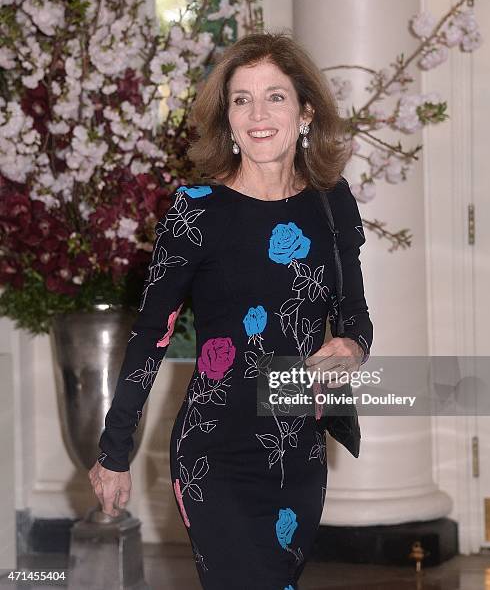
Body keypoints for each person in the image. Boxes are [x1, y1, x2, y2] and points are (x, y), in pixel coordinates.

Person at [88, 30, 373, 590]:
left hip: (298, 449)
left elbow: (355, 313)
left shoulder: (332, 202)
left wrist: (353, 346)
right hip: (213, 452)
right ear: (228, 117)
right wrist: (113, 451)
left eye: (275, 96)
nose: (258, 113)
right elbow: (151, 337)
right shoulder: (196, 211)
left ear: (306, 111)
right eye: (242, 99)